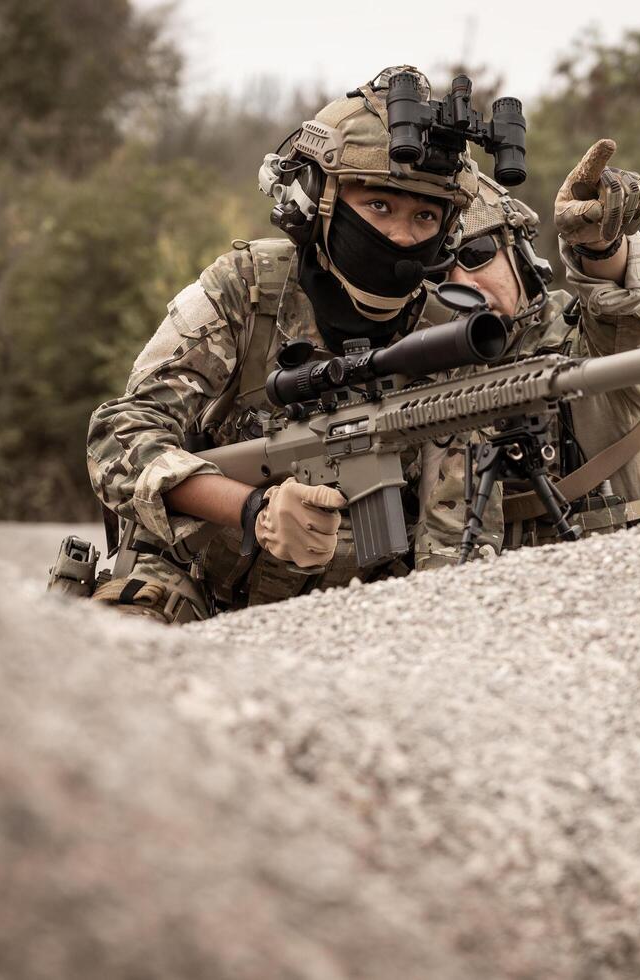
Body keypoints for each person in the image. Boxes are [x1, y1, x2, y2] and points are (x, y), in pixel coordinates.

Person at [85, 67, 491, 623]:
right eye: (379, 206)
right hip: (196, 580)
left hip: (355, 607)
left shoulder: (451, 336)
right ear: (319, 201)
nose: (400, 235)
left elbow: (451, 544)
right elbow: (118, 436)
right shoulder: (245, 288)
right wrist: (252, 509)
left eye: (424, 215)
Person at [414, 142, 640, 567]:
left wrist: (600, 247)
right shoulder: (429, 383)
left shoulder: (587, 342)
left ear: (520, 255)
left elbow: (636, 311)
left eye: (476, 255)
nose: (462, 281)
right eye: (441, 271)